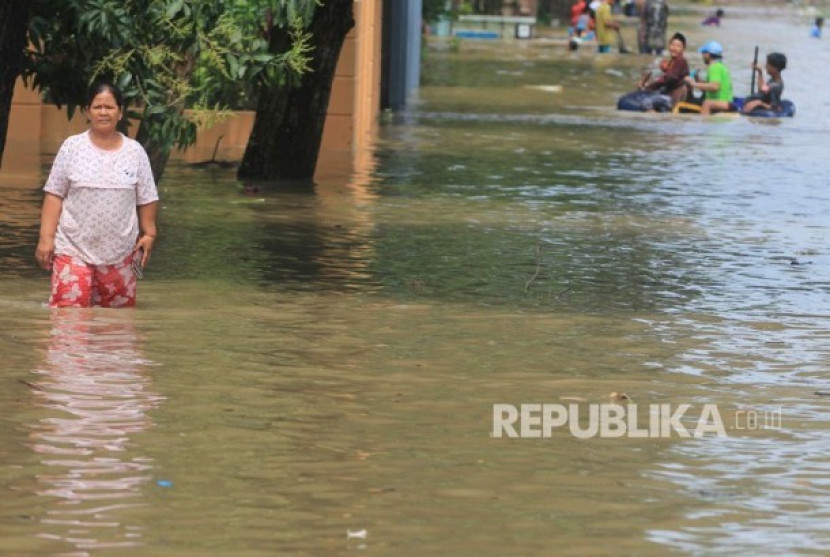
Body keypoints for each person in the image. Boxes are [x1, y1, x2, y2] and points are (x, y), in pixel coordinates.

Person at [35, 81, 159, 308]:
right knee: (68, 321)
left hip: (121, 252)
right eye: (97, 107)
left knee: (116, 328)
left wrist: (149, 233)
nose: (103, 112)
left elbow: (147, 196)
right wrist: (46, 239)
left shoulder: (135, 152)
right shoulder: (72, 147)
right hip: (72, 248)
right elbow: (54, 194)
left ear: (120, 112)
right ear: (87, 111)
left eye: (110, 107)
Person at [638, 32, 690, 106]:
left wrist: (650, 86)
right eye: (672, 45)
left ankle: (653, 115)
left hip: (675, 96)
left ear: (683, 49)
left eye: (678, 46)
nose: (674, 48)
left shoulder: (681, 60)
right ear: (669, 46)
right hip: (669, 93)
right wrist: (665, 69)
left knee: (647, 103)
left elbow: (669, 78)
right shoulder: (672, 61)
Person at [684, 40, 734, 115]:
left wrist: (693, 84)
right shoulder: (721, 66)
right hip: (726, 101)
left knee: (706, 104)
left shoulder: (714, 67)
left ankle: (704, 124)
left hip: (721, 102)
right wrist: (697, 78)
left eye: (703, 54)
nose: (702, 56)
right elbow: (708, 88)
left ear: (707, 54)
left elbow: (715, 86)